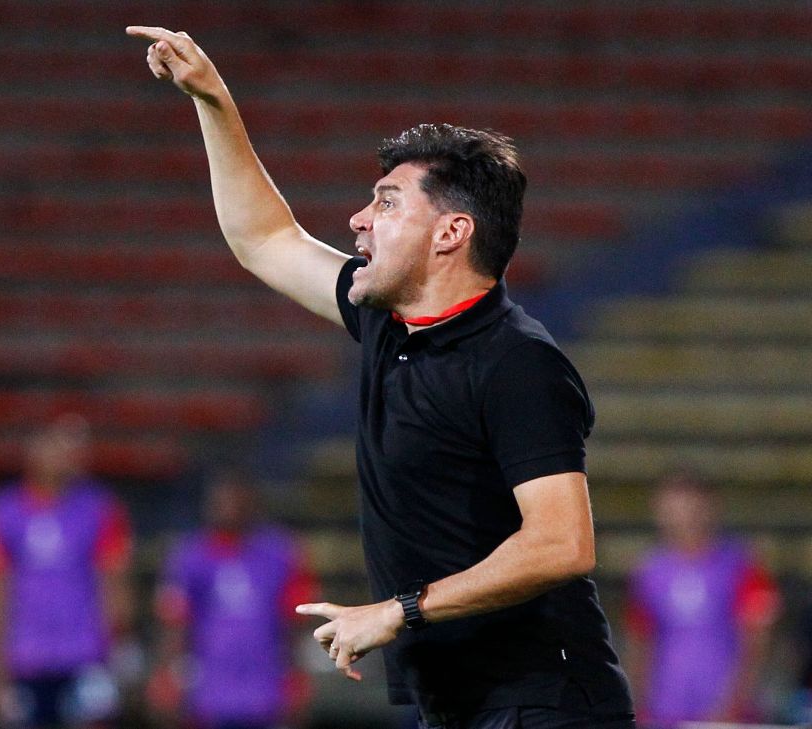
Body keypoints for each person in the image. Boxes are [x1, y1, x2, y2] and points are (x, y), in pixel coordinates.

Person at [127, 26, 635, 728]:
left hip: (544, 702)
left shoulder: (518, 363)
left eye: (388, 202)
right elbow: (265, 239)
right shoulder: (387, 324)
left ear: (451, 233)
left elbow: (562, 544)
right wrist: (212, 99)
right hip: (455, 703)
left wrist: (400, 610)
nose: (359, 219)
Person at [0, 414, 133, 729]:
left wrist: (122, 651)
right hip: (25, 657)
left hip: (86, 653)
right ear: (32, 452)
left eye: (69, 449)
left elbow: (113, 584)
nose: (64, 456)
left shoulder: (100, 508)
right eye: (55, 447)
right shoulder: (2, 511)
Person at [149, 472, 317, 729]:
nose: (229, 508)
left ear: (252, 503)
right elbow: (175, 624)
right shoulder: (190, 557)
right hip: (208, 693)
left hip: (266, 692)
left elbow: (295, 622)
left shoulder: (280, 554)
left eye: (236, 501)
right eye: (221, 502)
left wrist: (297, 679)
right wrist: (167, 677)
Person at [625, 472, 780, 727]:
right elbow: (641, 641)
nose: (684, 517)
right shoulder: (649, 572)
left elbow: (757, 643)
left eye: (692, 508)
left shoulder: (742, 566)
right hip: (664, 711)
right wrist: (637, 703)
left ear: (712, 507)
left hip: (727, 713)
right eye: (675, 509)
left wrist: (734, 704)